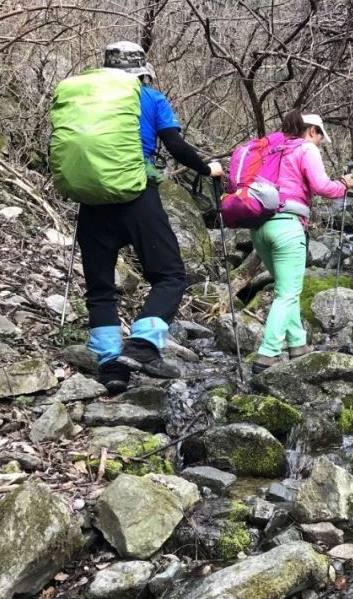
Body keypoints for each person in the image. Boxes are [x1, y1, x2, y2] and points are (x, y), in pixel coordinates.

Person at [50, 41, 223, 392]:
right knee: (170, 275)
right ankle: (143, 346)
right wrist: (208, 169)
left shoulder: (82, 99)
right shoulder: (150, 98)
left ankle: (112, 369)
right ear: (141, 72)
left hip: (91, 200)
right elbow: (174, 146)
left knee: (100, 288)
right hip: (136, 195)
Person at [250, 108, 353, 373]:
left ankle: (297, 344)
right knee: (287, 293)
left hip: (259, 227)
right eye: (320, 137)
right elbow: (322, 187)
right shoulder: (306, 149)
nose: (319, 142)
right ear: (312, 131)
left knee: (287, 289)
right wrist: (343, 184)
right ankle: (267, 354)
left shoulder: (270, 149)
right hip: (287, 226)